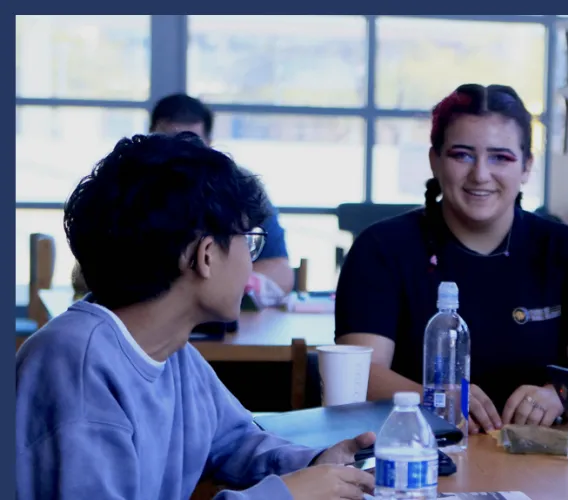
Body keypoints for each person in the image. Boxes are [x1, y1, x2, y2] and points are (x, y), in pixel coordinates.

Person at [15, 133, 376, 500]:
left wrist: (316, 464)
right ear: (206, 255)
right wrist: (285, 495)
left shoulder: (171, 349)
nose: (251, 262)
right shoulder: (75, 363)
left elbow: (236, 440)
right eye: (248, 241)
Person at [334, 83, 568, 434]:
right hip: (416, 452)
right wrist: (434, 399)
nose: (480, 174)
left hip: (542, 460)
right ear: (435, 160)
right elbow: (358, 376)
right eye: (462, 155)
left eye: (501, 157)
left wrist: (563, 394)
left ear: (526, 167)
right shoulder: (381, 248)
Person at [150, 93, 295, 295]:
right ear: (150, 139)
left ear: (209, 143)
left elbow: (281, 271)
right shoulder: (127, 188)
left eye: (191, 143)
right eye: (170, 141)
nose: (180, 156)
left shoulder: (239, 186)